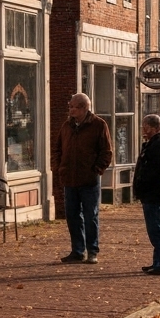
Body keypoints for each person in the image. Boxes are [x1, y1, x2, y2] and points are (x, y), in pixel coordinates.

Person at [54, 93, 113, 264]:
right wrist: (59, 168)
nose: (71, 110)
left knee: (90, 216)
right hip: (69, 179)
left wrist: (97, 169)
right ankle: (77, 250)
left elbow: (106, 152)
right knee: (72, 216)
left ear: (84, 108)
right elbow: (58, 149)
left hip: (89, 180)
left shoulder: (98, 125)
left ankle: (92, 250)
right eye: (70, 106)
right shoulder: (67, 126)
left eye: (74, 106)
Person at [133, 114, 160, 276]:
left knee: (157, 229)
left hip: (155, 196)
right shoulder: (154, 144)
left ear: (156, 128)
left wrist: (144, 185)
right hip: (153, 195)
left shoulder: (159, 146)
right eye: (143, 127)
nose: (144, 130)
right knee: (157, 229)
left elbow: (157, 172)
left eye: (147, 127)